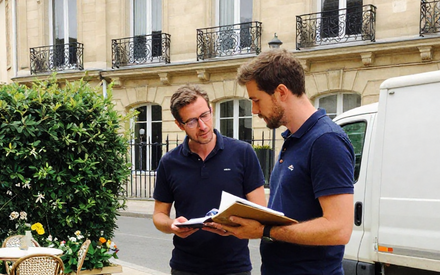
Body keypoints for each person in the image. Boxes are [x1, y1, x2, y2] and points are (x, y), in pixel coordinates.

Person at [206, 48, 355, 275]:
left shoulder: (326, 140)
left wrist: (265, 230)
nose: (254, 110)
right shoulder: (294, 140)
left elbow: (339, 229)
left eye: (256, 100)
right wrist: (241, 222)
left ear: (281, 92)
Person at [152, 84, 267, 275]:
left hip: (234, 268)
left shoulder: (243, 153)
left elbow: (260, 211)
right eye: (192, 121)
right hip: (185, 268)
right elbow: (158, 215)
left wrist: (232, 225)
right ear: (179, 125)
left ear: (211, 110)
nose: (203, 126)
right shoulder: (169, 162)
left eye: (205, 115)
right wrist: (172, 225)